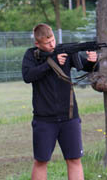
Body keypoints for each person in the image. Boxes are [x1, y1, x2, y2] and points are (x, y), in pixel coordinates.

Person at [22, 23, 98, 180]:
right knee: (41, 161)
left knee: (74, 159)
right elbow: (28, 76)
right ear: (37, 43)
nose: (52, 45)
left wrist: (92, 61)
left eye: (53, 40)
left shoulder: (64, 52)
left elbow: (86, 67)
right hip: (44, 119)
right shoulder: (31, 55)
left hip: (69, 116)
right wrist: (51, 63)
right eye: (47, 43)